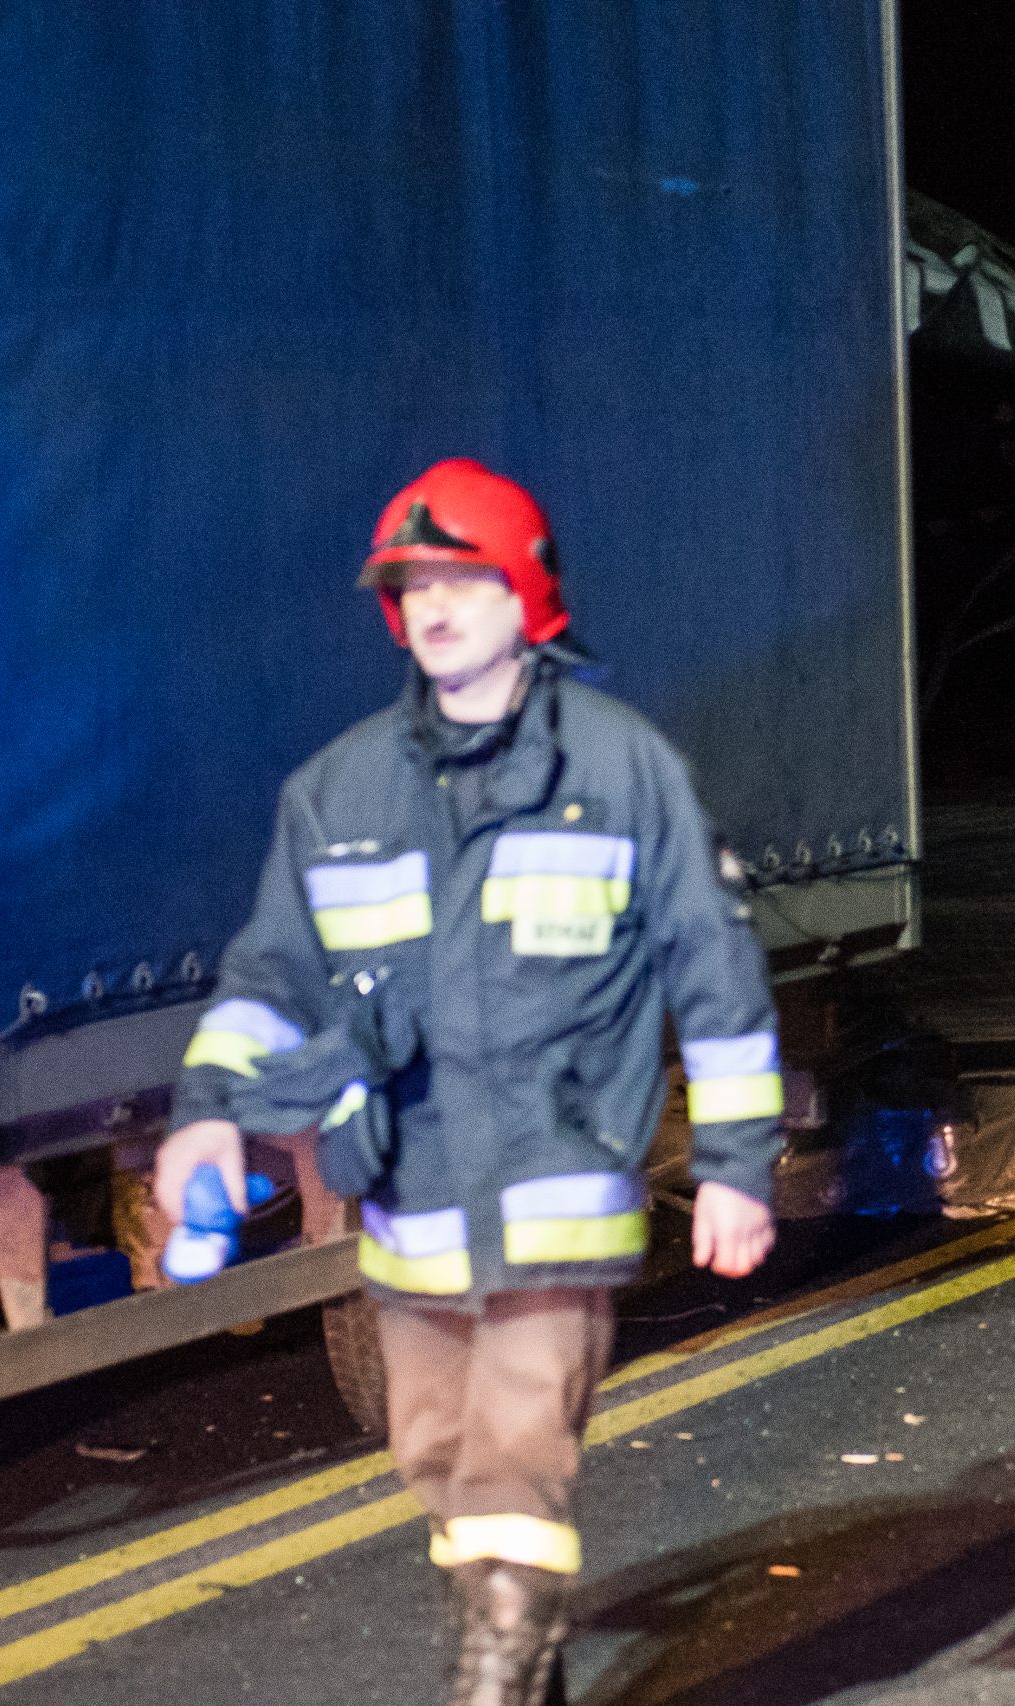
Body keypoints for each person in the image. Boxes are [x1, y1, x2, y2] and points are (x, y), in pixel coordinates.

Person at [153, 460, 784, 1706]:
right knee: (439, 1458)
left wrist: (734, 1167)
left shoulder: (619, 769)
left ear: (527, 593)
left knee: (513, 1454)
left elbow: (713, 974)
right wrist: (207, 1113)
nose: (433, 605)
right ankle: (521, 1658)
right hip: (412, 1200)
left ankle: (493, 1672)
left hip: (557, 1185)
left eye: (461, 578)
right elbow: (269, 975)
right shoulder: (337, 793)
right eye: (412, 585)